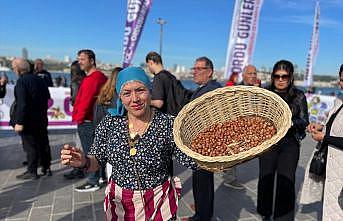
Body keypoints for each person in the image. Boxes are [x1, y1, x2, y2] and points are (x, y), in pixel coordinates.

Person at [61, 67, 197, 220]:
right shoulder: (110, 123)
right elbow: (96, 161)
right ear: (120, 96)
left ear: (150, 90)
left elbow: (191, 159)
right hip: (120, 204)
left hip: (159, 202)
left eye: (140, 90)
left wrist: (213, 153)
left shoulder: (167, 124)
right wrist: (84, 161)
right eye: (127, 93)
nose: (135, 99)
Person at [257, 60, 309, 220]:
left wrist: (290, 122)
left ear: (291, 77)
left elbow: (304, 120)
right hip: (269, 143)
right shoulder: (265, 93)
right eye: (277, 76)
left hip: (289, 144)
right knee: (266, 178)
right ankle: (265, 213)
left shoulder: (299, 95)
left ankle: (284, 217)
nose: (280, 80)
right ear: (272, 77)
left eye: (284, 76)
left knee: (286, 182)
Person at [306, 64, 343, 220]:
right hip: (333, 165)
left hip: (340, 168)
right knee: (331, 207)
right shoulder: (339, 102)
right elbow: (333, 126)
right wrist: (321, 126)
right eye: (341, 79)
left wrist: (324, 138)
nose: (342, 83)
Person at [187, 57, 222, 221]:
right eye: (194, 68)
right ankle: (202, 207)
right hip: (201, 144)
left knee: (202, 180)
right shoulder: (205, 88)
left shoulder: (211, 90)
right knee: (201, 180)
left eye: (198, 69)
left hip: (205, 144)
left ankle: (202, 215)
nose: (194, 71)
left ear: (209, 72)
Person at [72, 49, 107, 192]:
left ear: (91, 61)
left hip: (88, 121)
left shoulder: (94, 78)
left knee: (90, 152)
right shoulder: (95, 77)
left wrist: (79, 119)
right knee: (96, 150)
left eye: (82, 59)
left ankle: (94, 181)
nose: (79, 62)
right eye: (79, 59)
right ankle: (100, 177)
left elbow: (86, 102)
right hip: (91, 120)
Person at [11, 58, 51, 179]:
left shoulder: (22, 82)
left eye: (13, 68)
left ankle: (32, 171)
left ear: (18, 69)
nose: (13, 70)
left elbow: (22, 103)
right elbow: (47, 97)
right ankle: (46, 167)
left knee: (30, 145)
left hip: (28, 119)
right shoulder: (39, 79)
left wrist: (19, 122)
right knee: (43, 143)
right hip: (41, 117)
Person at [222, 64, 258, 190]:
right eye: (250, 73)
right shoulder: (237, 90)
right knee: (233, 152)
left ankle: (228, 173)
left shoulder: (257, 89)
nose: (253, 76)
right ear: (243, 75)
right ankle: (229, 178)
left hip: (251, 126)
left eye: (255, 73)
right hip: (237, 126)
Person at [93, 67, 123, 182]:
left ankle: (102, 177)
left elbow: (97, 118)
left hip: (106, 136)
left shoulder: (103, 96)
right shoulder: (121, 97)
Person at [146, 51, 192, 116]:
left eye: (148, 66)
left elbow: (159, 103)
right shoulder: (171, 76)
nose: (148, 68)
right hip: (177, 115)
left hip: (167, 118)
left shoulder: (158, 77)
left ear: (151, 62)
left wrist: (145, 102)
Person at [63, 61, 86, 180]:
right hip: (88, 116)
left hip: (81, 116)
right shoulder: (86, 80)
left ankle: (78, 169)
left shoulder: (75, 82)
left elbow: (76, 99)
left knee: (79, 143)